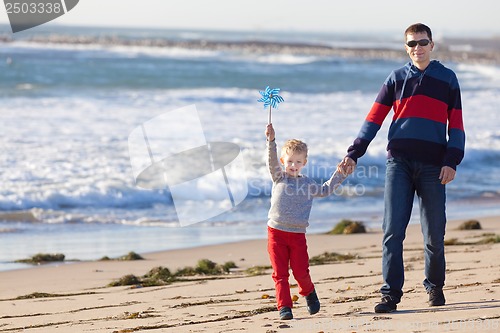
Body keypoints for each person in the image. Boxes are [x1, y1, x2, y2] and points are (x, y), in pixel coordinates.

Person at [338, 23, 465, 313]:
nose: (417, 48)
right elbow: (374, 118)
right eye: (411, 44)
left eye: (422, 42)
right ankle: (390, 294)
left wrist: (451, 160)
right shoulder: (395, 79)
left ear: (432, 45)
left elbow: (456, 124)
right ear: (405, 47)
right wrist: (354, 153)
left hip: (435, 165)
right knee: (392, 230)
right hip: (399, 162)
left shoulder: (447, 79)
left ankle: (435, 287)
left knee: (434, 233)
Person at [265, 123, 346, 320]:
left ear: (304, 163)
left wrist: (340, 174)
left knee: (301, 272)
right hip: (276, 233)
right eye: (290, 161)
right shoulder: (279, 177)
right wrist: (271, 141)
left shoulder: (308, 184)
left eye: (298, 162)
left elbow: (326, 189)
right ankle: (285, 307)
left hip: (297, 235)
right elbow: (271, 160)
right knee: (280, 273)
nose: (293, 165)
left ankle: (309, 292)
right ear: (284, 161)